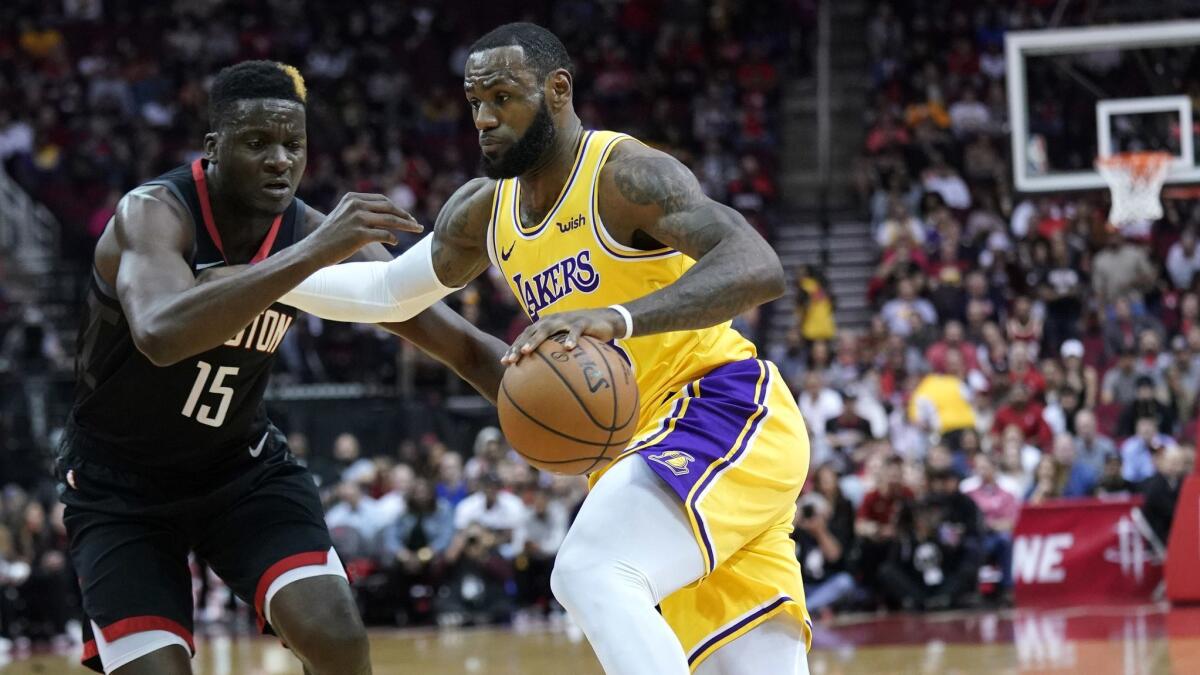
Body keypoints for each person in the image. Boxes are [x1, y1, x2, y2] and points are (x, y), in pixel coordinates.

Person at [276, 23, 812, 674]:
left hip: (719, 410)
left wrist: (616, 317)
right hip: (645, 454)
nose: (484, 118)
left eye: (502, 97)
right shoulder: (485, 211)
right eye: (475, 103)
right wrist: (260, 283)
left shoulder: (623, 175)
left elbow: (757, 263)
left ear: (558, 90)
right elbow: (390, 291)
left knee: (591, 567)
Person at [59, 61, 507, 675]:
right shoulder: (155, 214)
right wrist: (312, 254)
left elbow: (456, 341)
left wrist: (540, 404)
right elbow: (161, 333)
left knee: (336, 635)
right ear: (213, 148)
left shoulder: (306, 230)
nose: (279, 160)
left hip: (239, 472)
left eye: (293, 146)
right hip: (119, 488)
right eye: (257, 143)